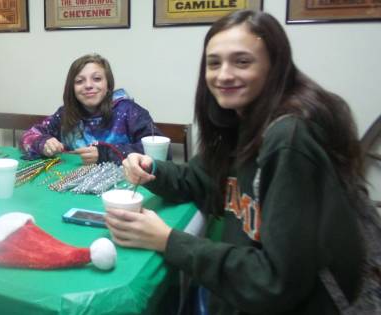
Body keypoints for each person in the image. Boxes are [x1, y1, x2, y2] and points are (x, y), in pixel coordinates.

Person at [109, 10, 366, 314]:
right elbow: (199, 179)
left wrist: (168, 241)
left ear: (275, 66)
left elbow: (276, 282)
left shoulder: (290, 137)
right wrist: (153, 169)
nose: (224, 75)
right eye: (214, 63)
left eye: (242, 62)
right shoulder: (237, 120)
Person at [20, 54, 164, 164]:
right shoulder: (65, 113)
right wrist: (42, 142)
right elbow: (27, 137)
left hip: (123, 188)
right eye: (79, 81)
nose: (88, 85)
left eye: (96, 79)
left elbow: (161, 153)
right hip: (71, 183)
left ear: (108, 85)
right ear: (72, 88)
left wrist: (105, 154)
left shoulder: (130, 111)